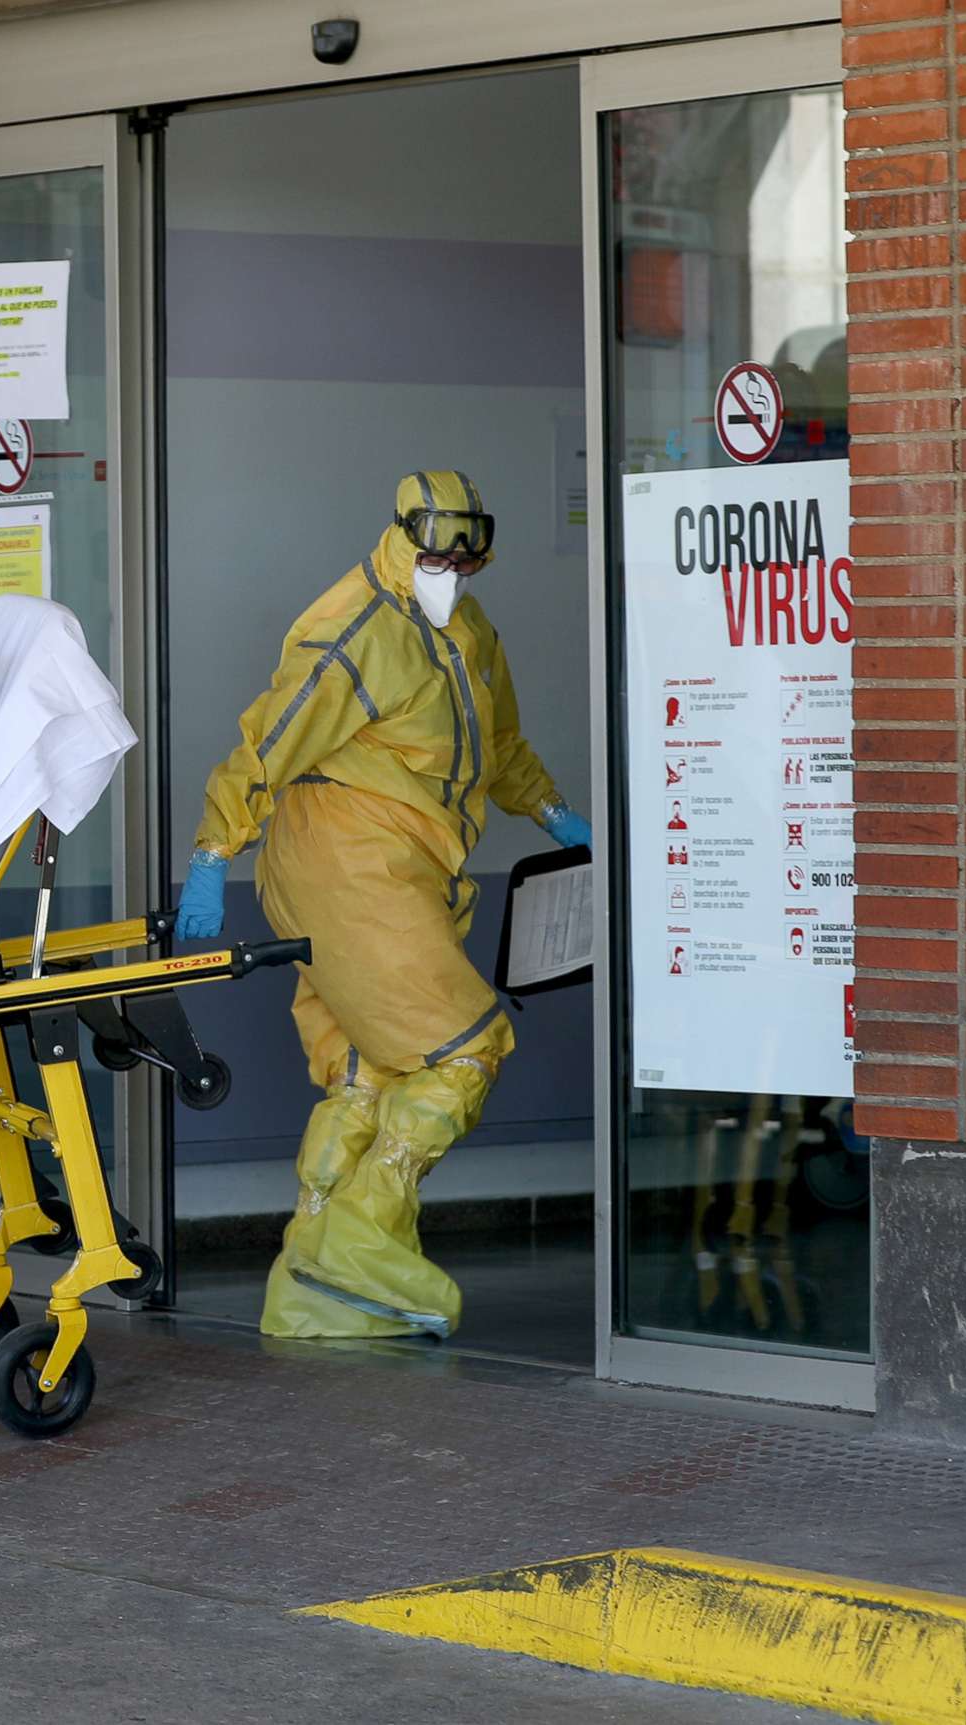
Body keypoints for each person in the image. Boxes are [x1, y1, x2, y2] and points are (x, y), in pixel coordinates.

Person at [175, 470, 590, 1339]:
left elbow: (495, 743)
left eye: (466, 558)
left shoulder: (463, 627)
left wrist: (550, 808)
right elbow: (268, 741)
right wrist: (215, 852)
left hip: (392, 864)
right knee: (466, 1046)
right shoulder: (353, 628)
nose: (451, 570)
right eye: (435, 552)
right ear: (402, 535)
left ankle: (309, 1274)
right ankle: (358, 1242)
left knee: (365, 1071)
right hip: (349, 863)